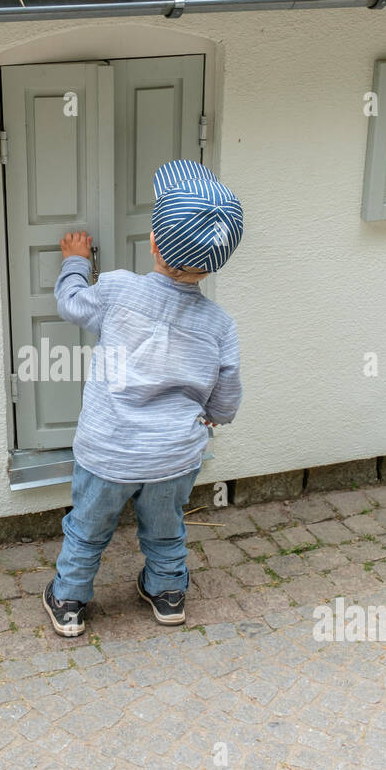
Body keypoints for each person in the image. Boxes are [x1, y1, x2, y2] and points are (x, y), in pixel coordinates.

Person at [43, 159, 244, 637]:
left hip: (108, 452)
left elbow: (71, 304)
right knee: (166, 527)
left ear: (153, 243)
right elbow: (227, 390)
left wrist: (75, 261)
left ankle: (69, 600)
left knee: (88, 528)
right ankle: (169, 593)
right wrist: (215, 414)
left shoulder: (116, 290)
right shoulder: (219, 324)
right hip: (174, 456)